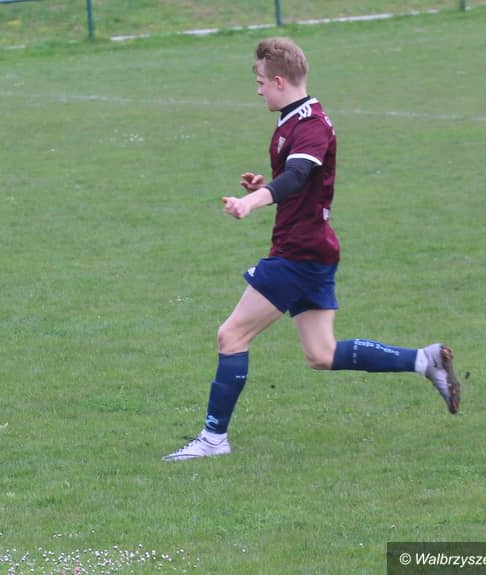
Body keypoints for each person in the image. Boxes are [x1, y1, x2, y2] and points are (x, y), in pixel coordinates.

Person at [163, 38, 461, 461]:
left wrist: (253, 201)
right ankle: (425, 360)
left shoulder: (311, 125)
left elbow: (298, 176)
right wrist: (265, 185)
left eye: (261, 82)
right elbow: (296, 179)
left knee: (231, 335)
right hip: (314, 248)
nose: (258, 90)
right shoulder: (293, 120)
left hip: (297, 253)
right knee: (321, 354)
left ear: (279, 81)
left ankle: (213, 439)